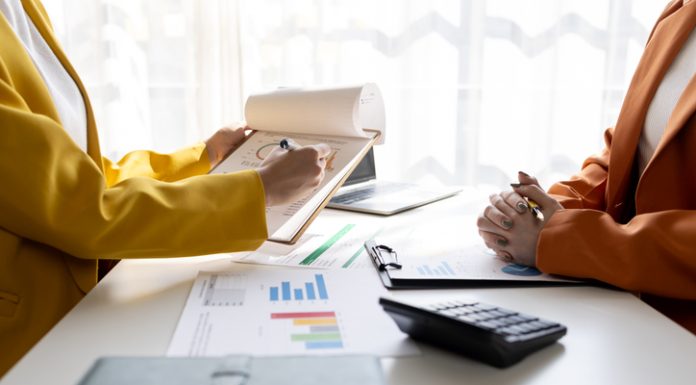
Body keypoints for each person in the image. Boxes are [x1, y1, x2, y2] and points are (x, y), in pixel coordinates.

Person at [0, 0, 331, 375]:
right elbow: (81, 210)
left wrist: (201, 157)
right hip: (27, 343)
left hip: (75, 316)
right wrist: (260, 190)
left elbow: (73, 172)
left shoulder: (24, 7)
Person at [477, 0, 696, 334]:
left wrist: (564, 238)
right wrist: (546, 211)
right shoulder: (680, 12)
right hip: (631, 322)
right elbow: (632, 149)